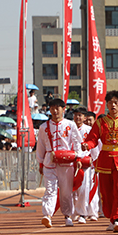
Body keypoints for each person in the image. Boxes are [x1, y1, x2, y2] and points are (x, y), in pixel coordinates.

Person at [82, 91, 118, 232]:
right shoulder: (100, 122)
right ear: (107, 104)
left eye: (116, 102)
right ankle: (111, 216)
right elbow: (92, 138)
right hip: (105, 160)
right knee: (106, 192)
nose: (113, 105)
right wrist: (87, 145)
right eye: (110, 102)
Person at [36, 98, 83, 228]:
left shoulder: (70, 125)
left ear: (63, 109)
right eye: (52, 108)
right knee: (50, 191)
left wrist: (78, 158)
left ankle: (67, 216)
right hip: (49, 162)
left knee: (66, 191)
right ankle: (47, 215)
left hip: (66, 162)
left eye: (58, 108)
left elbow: (76, 142)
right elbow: (40, 146)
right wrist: (40, 163)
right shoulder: (43, 127)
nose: (55, 111)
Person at [72, 107, 100, 224]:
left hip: (85, 163)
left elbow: (94, 146)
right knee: (71, 190)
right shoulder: (69, 128)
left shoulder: (89, 129)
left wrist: (95, 161)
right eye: (76, 115)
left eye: (80, 115)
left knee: (84, 188)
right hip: (71, 163)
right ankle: (72, 212)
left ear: (84, 117)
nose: (78, 117)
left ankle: (82, 213)